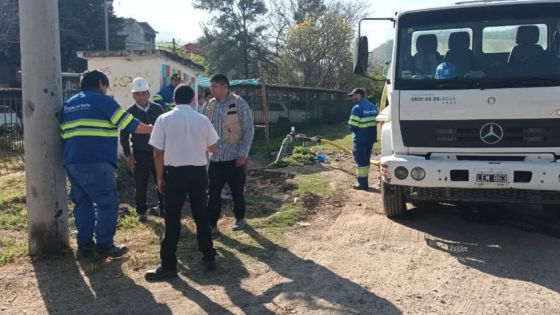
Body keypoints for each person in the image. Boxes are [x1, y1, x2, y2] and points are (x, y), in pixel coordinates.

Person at [60, 70, 153, 260]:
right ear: (101, 84)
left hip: (72, 162)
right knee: (108, 203)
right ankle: (104, 245)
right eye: (106, 86)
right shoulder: (104, 101)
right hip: (97, 161)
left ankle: (85, 247)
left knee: (83, 203)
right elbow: (131, 124)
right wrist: (156, 128)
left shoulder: (68, 105)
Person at [145, 84, 219, 281]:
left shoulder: (164, 119)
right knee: (201, 215)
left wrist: (160, 177)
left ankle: (169, 265)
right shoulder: (202, 119)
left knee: (172, 218)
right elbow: (213, 147)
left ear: (174, 100)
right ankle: (209, 256)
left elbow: (158, 151)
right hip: (198, 173)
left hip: (174, 173)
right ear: (193, 99)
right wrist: (196, 143)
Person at [204, 74, 254, 232]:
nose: (212, 89)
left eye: (215, 86)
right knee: (213, 194)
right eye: (211, 86)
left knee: (237, 191)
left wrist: (243, 153)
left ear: (225, 87)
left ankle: (240, 218)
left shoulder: (239, 103)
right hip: (215, 158)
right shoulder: (210, 105)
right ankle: (212, 224)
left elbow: (248, 129)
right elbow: (204, 128)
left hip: (234, 158)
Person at [119, 77, 165, 222]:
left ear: (148, 94)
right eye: (138, 94)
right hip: (141, 154)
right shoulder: (130, 112)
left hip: (158, 153)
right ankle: (141, 211)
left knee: (162, 180)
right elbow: (124, 135)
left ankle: (163, 208)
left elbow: (165, 130)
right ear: (133, 96)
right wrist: (128, 155)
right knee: (140, 184)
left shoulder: (157, 109)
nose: (141, 96)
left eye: (144, 93)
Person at [347, 88, 378, 191]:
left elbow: (353, 126)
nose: (352, 98)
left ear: (358, 95)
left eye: (353, 95)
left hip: (360, 139)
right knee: (366, 160)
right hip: (370, 138)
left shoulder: (357, 108)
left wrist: (349, 126)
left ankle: (362, 184)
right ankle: (364, 182)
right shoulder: (373, 106)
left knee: (361, 161)